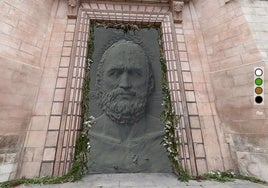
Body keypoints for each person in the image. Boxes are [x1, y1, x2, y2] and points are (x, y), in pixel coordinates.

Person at [88, 39, 171, 173]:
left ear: (149, 83)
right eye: (114, 74)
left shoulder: (164, 135)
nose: (125, 84)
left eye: (135, 74)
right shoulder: (88, 135)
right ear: (99, 82)